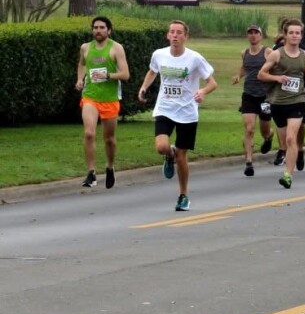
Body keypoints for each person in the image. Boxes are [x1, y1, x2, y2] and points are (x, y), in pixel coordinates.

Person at [138, 20, 218, 211]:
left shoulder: (194, 58)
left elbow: (212, 83)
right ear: (168, 35)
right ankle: (169, 154)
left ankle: (183, 195)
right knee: (161, 146)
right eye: (172, 32)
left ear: (185, 37)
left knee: (182, 157)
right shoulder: (159, 54)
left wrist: (203, 92)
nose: (175, 35)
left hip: (187, 112)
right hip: (165, 108)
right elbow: (152, 71)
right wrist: (144, 87)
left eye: (179, 32)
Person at [259, 19, 305, 189]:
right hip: (278, 102)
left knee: (291, 138)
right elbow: (261, 74)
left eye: (297, 33)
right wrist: (277, 78)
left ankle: (288, 175)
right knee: (285, 141)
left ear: (301, 35)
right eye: (291, 32)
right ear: (285, 35)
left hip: (297, 100)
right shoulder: (276, 54)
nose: (294, 36)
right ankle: (291, 158)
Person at [76, 16, 130, 189]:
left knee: (109, 139)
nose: (98, 31)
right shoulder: (85, 47)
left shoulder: (116, 48)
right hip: (90, 96)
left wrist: (107, 75)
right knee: (89, 133)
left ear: (109, 31)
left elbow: (125, 74)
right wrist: (80, 79)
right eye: (95, 28)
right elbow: (82, 64)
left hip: (109, 98)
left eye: (102, 28)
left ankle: (110, 166)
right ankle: (91, 173)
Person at [231, 24, 274, 177]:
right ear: (247, 36)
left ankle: (269, 137)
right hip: (248, 95)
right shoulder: (244, 52)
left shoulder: (268, 52)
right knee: (249, 129)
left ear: (261, 36)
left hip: (265, 97)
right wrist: (238, 76)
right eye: (250, 33)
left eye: (256, 33)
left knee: (264, 129)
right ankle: (249, 162)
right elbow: (245, 67)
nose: (253, 35)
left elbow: (275, 67)